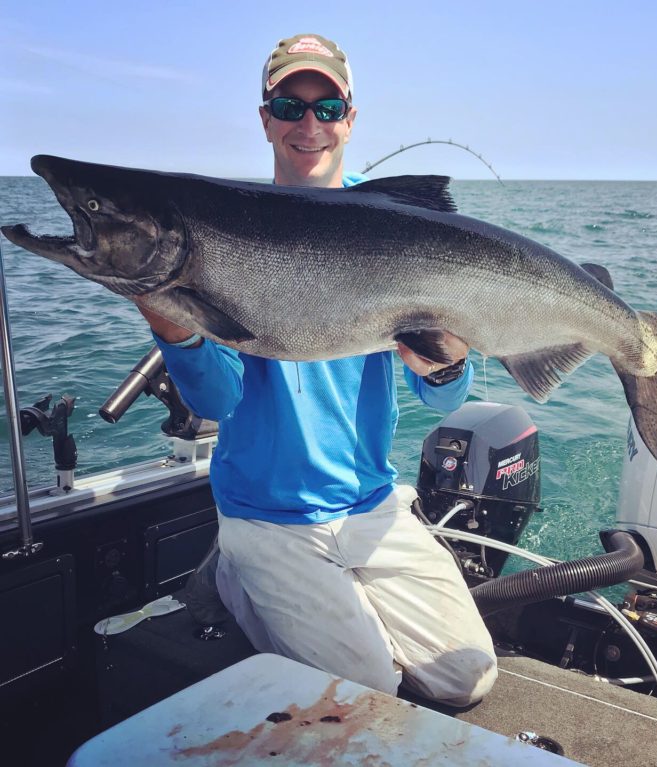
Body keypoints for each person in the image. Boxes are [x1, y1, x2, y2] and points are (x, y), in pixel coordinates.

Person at [135, 33, 497, 706]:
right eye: (290, 106)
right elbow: (217, 395)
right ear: (265, 117)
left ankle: (318, 599)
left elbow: (442, 395)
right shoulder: (227, 230)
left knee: (468, 677)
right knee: (368, 691)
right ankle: (240, 574)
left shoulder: (397, 221)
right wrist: (172, 323)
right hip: (267, 514)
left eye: (327, 107)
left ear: (350, 120)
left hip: (371, 504)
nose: (310, 125)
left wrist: (449, 359)